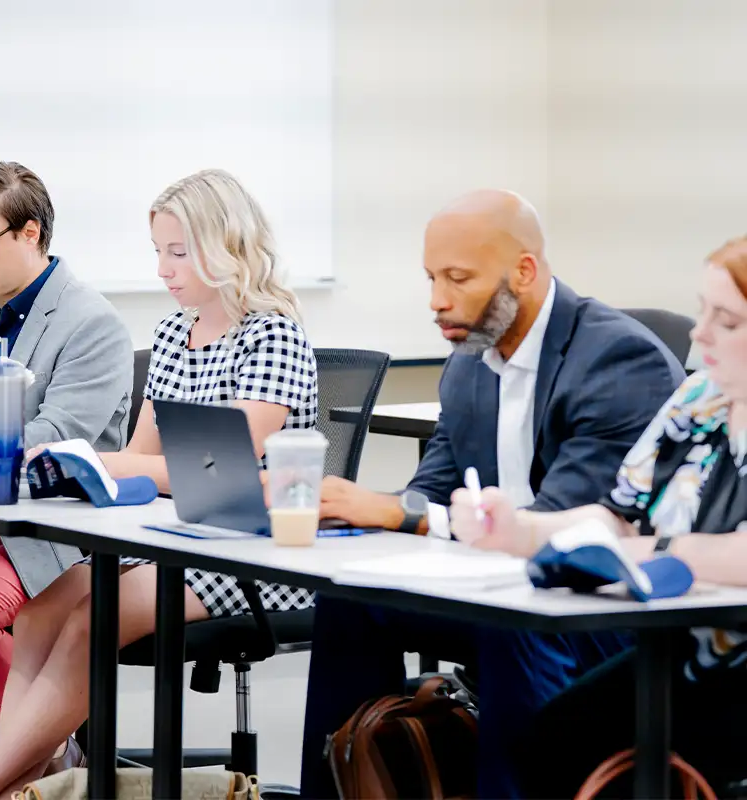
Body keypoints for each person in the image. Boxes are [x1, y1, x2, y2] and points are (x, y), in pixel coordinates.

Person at [299, 189, 688, 799]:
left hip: (595, 603)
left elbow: (563, 527)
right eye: (431, 278)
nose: (437, 300)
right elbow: (432, 490)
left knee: (515, 624)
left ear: (524, 272)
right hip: (494, 588)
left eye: (458, 278)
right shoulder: (470, 358)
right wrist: (359, 514)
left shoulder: (618, 359)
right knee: (349, 595)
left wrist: (402, 515)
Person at [0, 168, 318, 800]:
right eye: (158, 252)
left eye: (178, 253)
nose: (162, 270)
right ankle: (32, 782)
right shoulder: (175, 331)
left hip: (246, 545)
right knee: (39, 616)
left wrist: (112, 464)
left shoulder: (273, 333)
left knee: (92, 624)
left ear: (227, 247)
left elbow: (218, 468)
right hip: (170, 530)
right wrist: (89, 463)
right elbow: (146, 455)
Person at [449, 235, 747, 797]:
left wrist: (662, 553)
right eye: (703, 311)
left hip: (733, 661)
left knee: (586, 748)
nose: (699, 332)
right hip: (684, 645)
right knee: (549, 740)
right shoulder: (699, 399)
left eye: (726, 322)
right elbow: (621, 517)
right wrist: (520, 531)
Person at [0, 162, 132, 721]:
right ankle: (46, 760)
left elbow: (54, 441)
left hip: (51, 526)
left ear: (30, 233)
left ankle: (54, 755)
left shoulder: (91, 323)